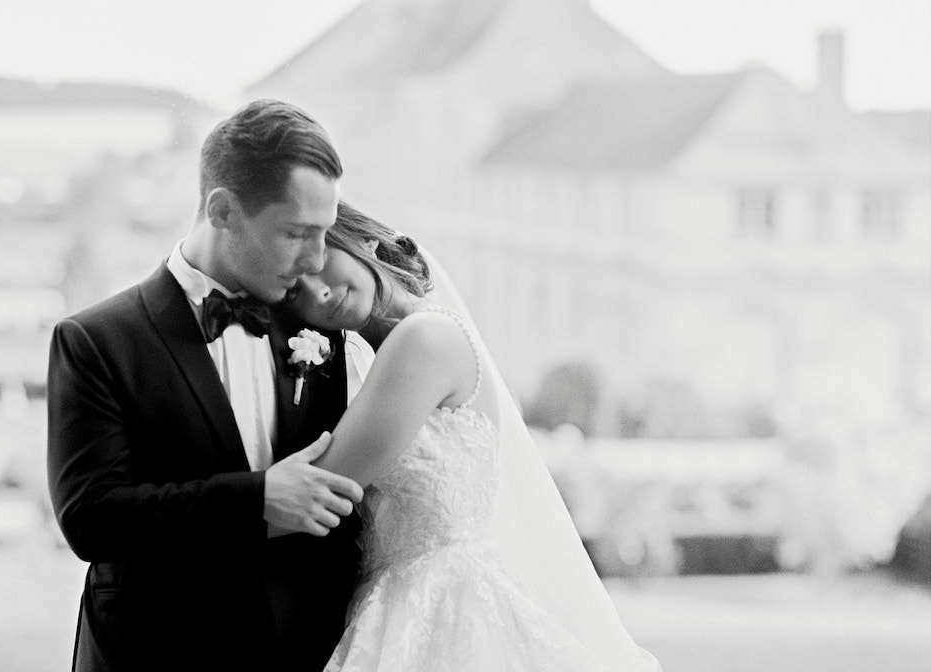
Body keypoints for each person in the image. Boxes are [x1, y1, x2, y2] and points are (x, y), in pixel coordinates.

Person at [47, 100, 374, 671]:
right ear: (222, 211)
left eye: (325, 232)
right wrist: (258, 500)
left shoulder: (317, 327)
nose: (317, 258)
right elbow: (91, 518)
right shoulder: (97, 341)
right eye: (297, 232)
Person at [282, 202, 663, 671]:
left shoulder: (424, 338)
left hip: (437, 603)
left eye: (318, 266)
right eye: (293, 290)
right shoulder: (392, 348)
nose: (316, 293)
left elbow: (324, 485)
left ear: (365, 242)